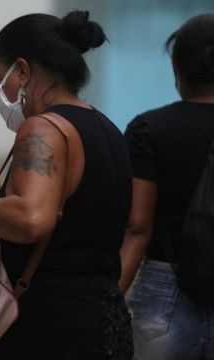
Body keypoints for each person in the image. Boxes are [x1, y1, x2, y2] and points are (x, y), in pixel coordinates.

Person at [0, 11, 134, 359]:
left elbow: (32, 218)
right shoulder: (107, 129)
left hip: (49, 328)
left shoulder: (44, 128)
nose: (0, 94)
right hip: (106, 320)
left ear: (23, 71)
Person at [120, 13, 214, 359]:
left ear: (177, 69)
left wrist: (112, 298)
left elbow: (137, 226)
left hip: (166, 285)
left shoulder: (149, 129)